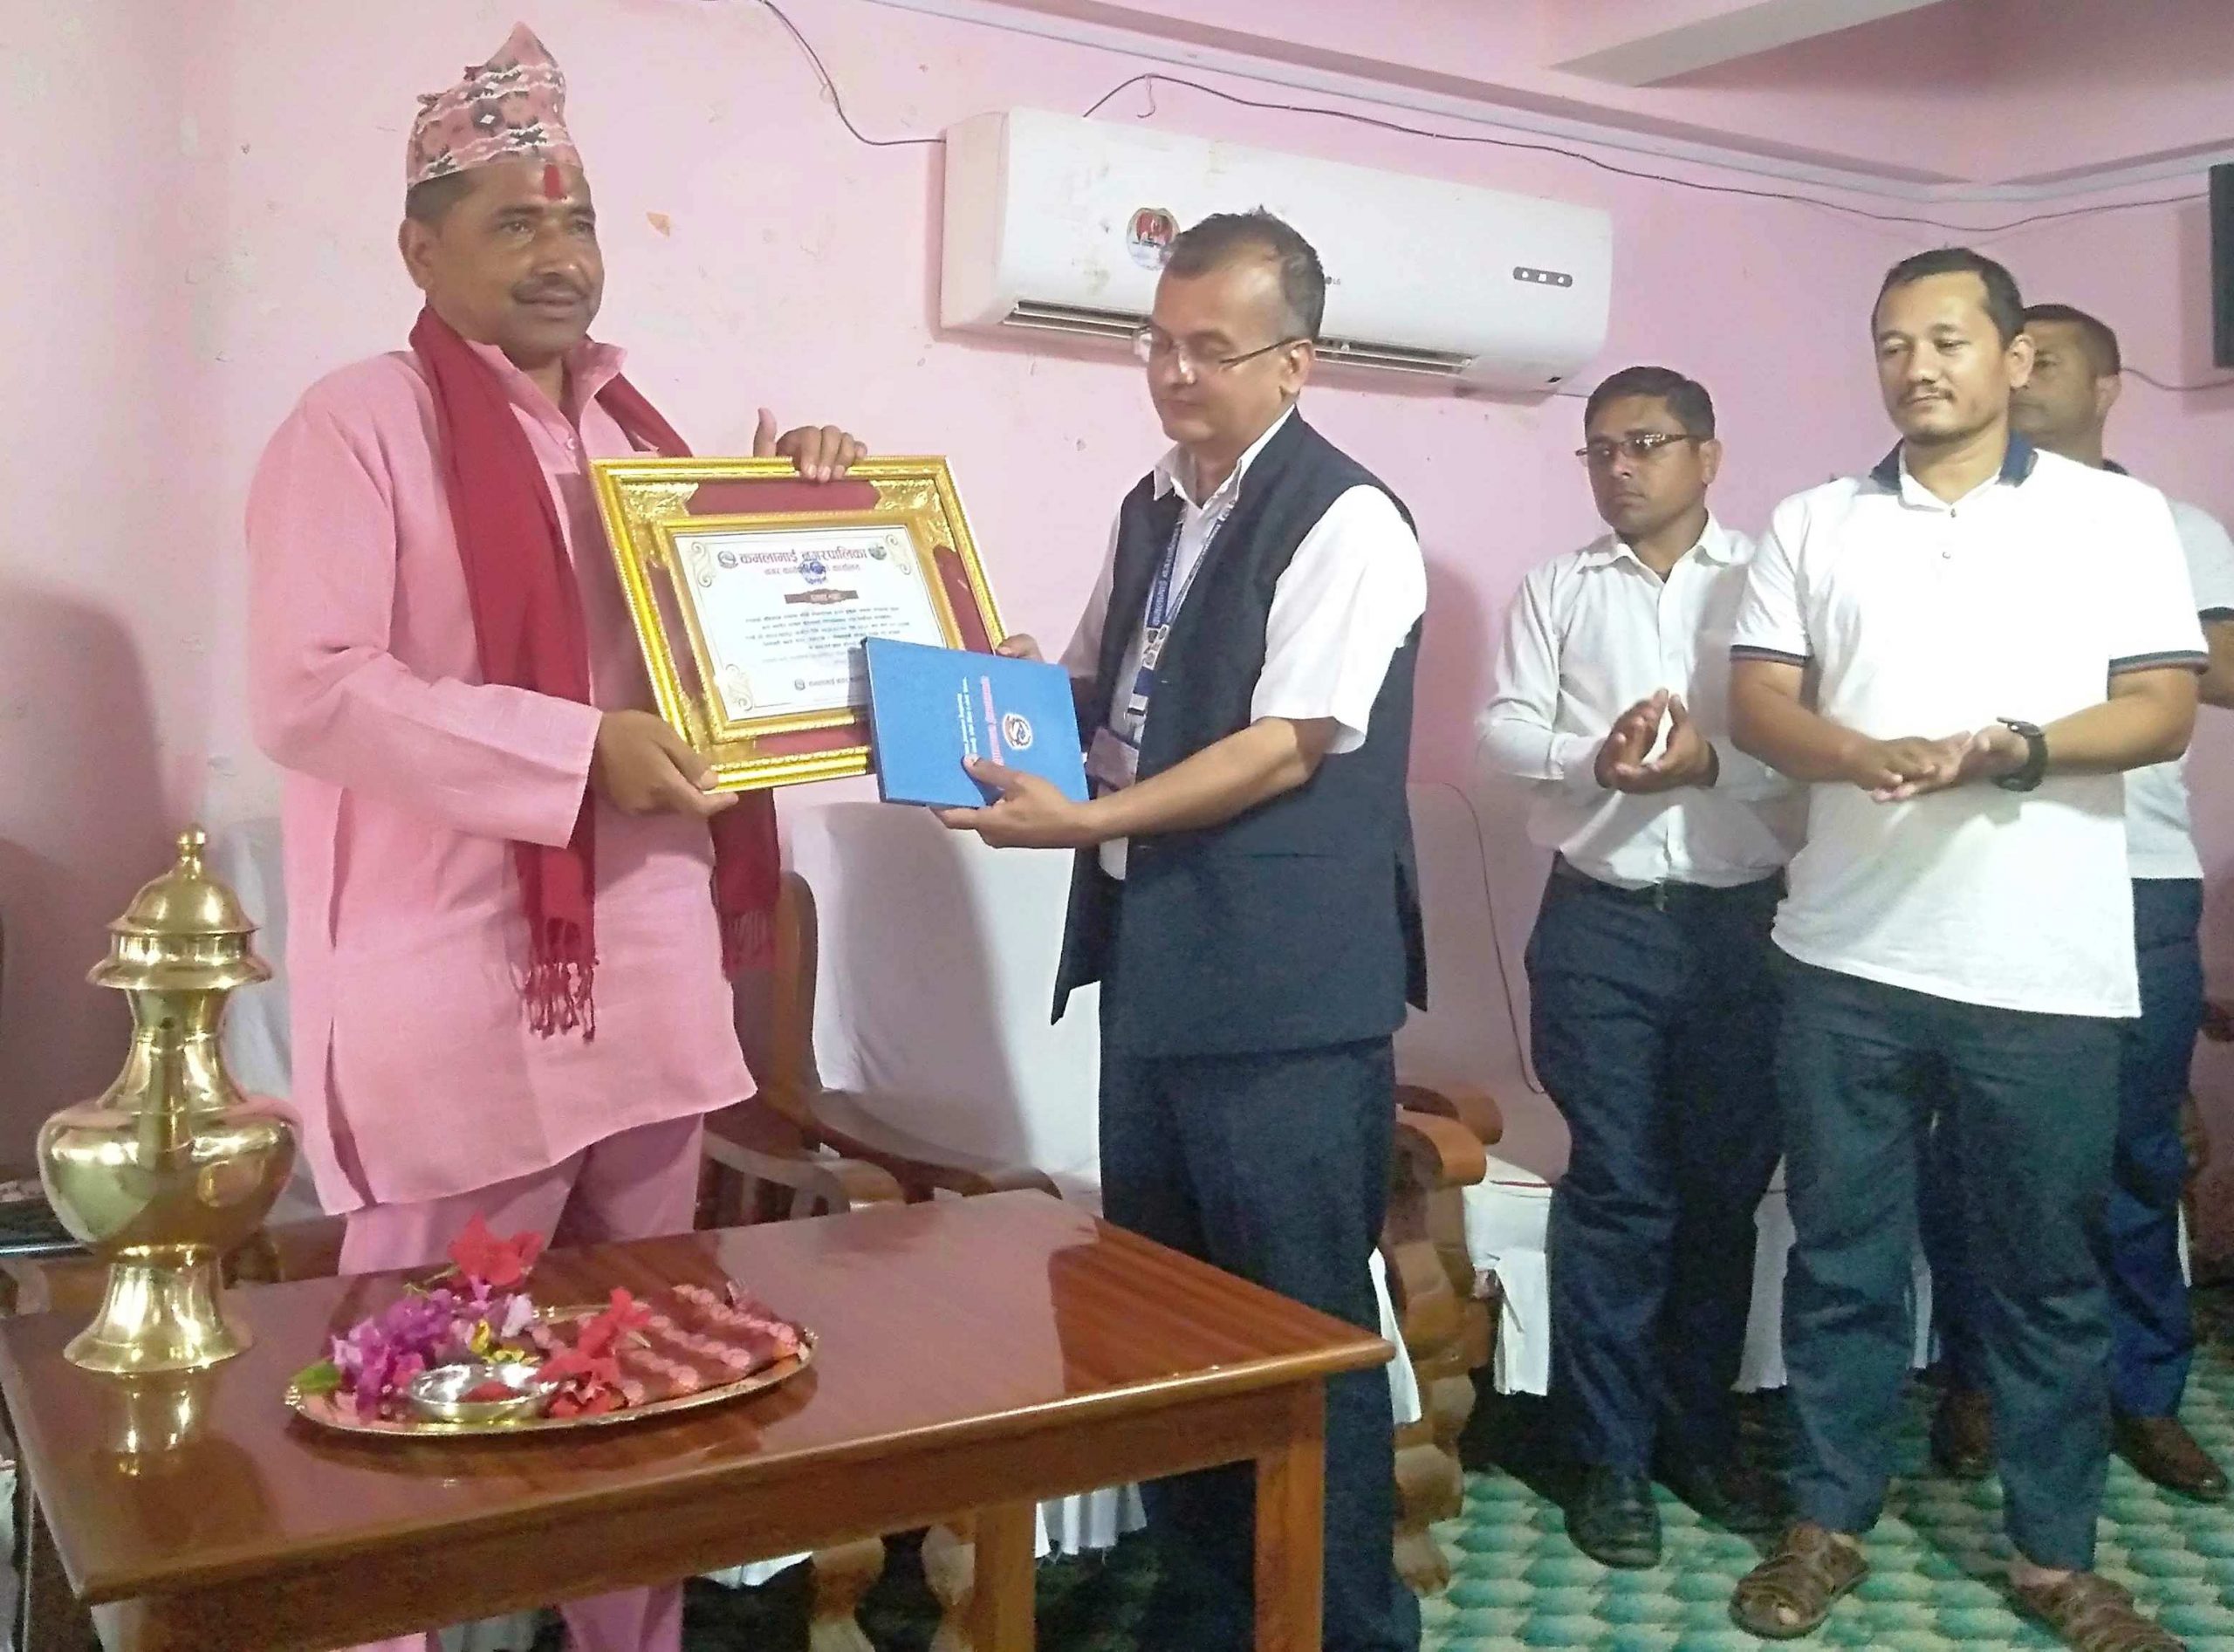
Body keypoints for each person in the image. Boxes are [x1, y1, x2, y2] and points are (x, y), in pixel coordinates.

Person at [245, 25, 862, 1652]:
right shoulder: (356, 425)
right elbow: (311, 691)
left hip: (650, 988)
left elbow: (733, 662)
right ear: (420, 250)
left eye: (576, 221)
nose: (561, 255)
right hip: (459, 1002)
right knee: (404, 1391)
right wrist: (580, 755)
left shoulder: (646, 444)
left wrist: (804, 510)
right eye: (514, 222)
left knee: (642, 1386)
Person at [937, 209, 1427, 1651]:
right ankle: (1213, 1609)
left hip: (1287, 999)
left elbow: (1285, 744)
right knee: (1170, 1322)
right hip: (1155, 971)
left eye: (1211, 348)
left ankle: (1341, 1625)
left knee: (1299, 1333)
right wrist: (989, 686)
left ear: (1296, 362)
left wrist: (1089, 819)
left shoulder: (1348, 520)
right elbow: (1103, 686)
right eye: (1158, 341)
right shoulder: (1153, 505)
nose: (1174, 372)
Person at [1721, 247, 2201, 1651]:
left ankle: (2056, 1559)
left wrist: (2015, 747)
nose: (1916, 366)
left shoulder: (2117, 518)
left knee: (2045, 1272)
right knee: (1842, 1258)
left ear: (2014, 358)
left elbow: (2163, 705)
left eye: (1946, 339)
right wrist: (1857, 753)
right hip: (1846, 959)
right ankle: (1826, 1520)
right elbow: (1760, 701)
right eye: (1892, 343)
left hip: (2040, 969)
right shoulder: (1814, 520)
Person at [1478, 366, 1801, 1567]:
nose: (1620, 468)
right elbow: (1502, 726)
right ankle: (1608, 1458)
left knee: (1721, 1190)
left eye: (1647, 444)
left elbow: (1809, 746)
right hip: (1599, 926)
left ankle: (1697, 1436)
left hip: (1742, 927)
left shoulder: (1772, 581)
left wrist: (1714, 764)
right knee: (1618, 1188)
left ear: (1708, 456)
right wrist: (1592, 759)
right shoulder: (1559, 586)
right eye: (1601, 449)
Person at [1922, 301, 2234, 1503]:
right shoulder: (1952, 525)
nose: (2023, 375)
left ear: (2107, 387)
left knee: (2137, 1151)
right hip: (1985, 870)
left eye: (2048, 359)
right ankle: (1974, 1376)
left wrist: (2136, 642)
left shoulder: (2170, 527)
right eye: (2014, 355)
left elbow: (2211, 672)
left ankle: (2142, 1390)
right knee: (1975, 1151)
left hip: (2136, 873)